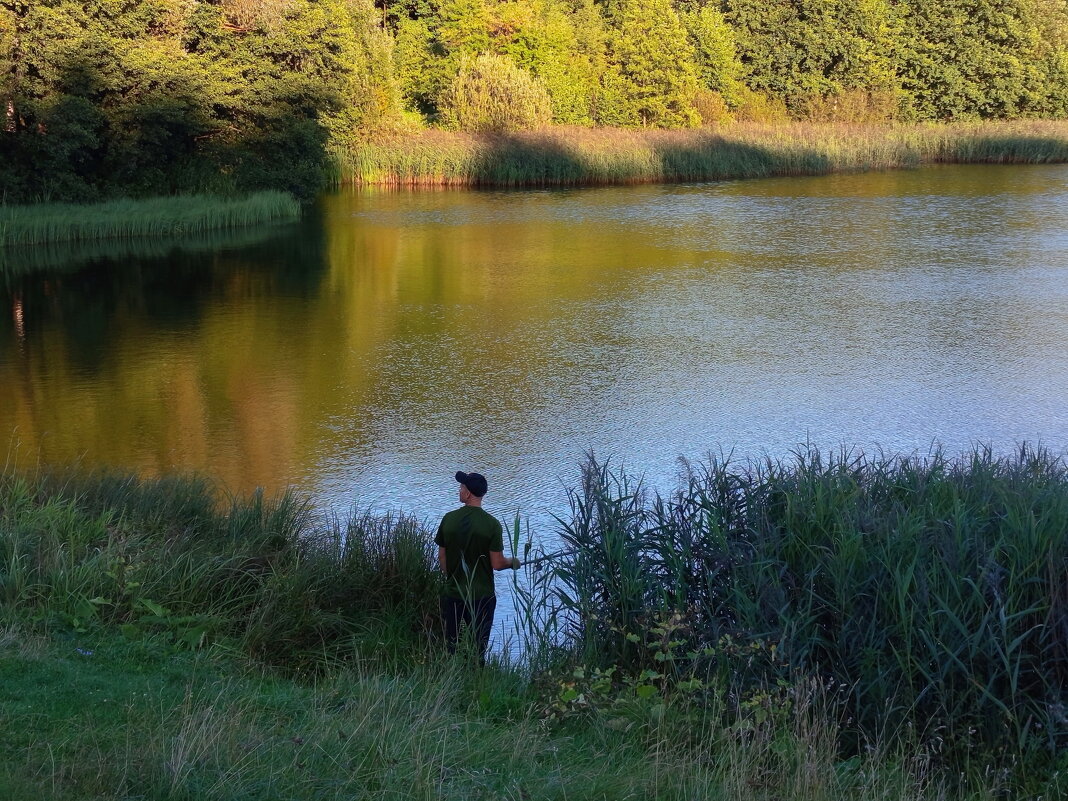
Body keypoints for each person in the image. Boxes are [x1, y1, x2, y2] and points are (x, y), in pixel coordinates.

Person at [436, 470, 521, 664]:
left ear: (468, 493)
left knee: (452, 646)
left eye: (461, 487)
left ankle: (451, 679)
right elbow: (498, 564)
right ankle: (476, 678)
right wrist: (513, 562)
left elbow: (442, 557)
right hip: (481, 597)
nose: (459, 491)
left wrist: (453, 577)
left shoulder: (448, 519)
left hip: (453, 594)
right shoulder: (492, 525)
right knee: (478, 649)